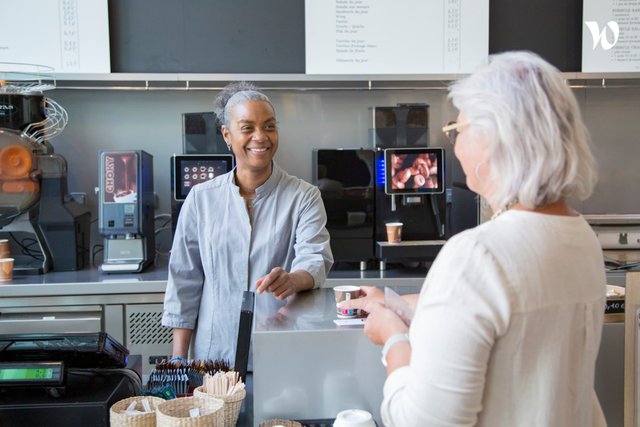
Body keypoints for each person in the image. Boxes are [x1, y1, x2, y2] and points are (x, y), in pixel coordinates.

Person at [340, 51, 606, 427]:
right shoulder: (580, 237)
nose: (454, 144)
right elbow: (509, 319)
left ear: (494, 139)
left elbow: (422, 421)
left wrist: (394, 339)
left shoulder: (477, 254)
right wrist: (397, 303)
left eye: (457, 129)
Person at [162, 81, 333, 363]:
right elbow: (184, 281)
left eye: (269, 126)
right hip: (213, 356)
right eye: (247, 128)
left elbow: (315, 260)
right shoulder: (201, 199)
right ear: (227, 135)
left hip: (279, 350)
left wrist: (291, 279)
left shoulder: (304, 196)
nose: (261, 137)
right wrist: (178, 361)